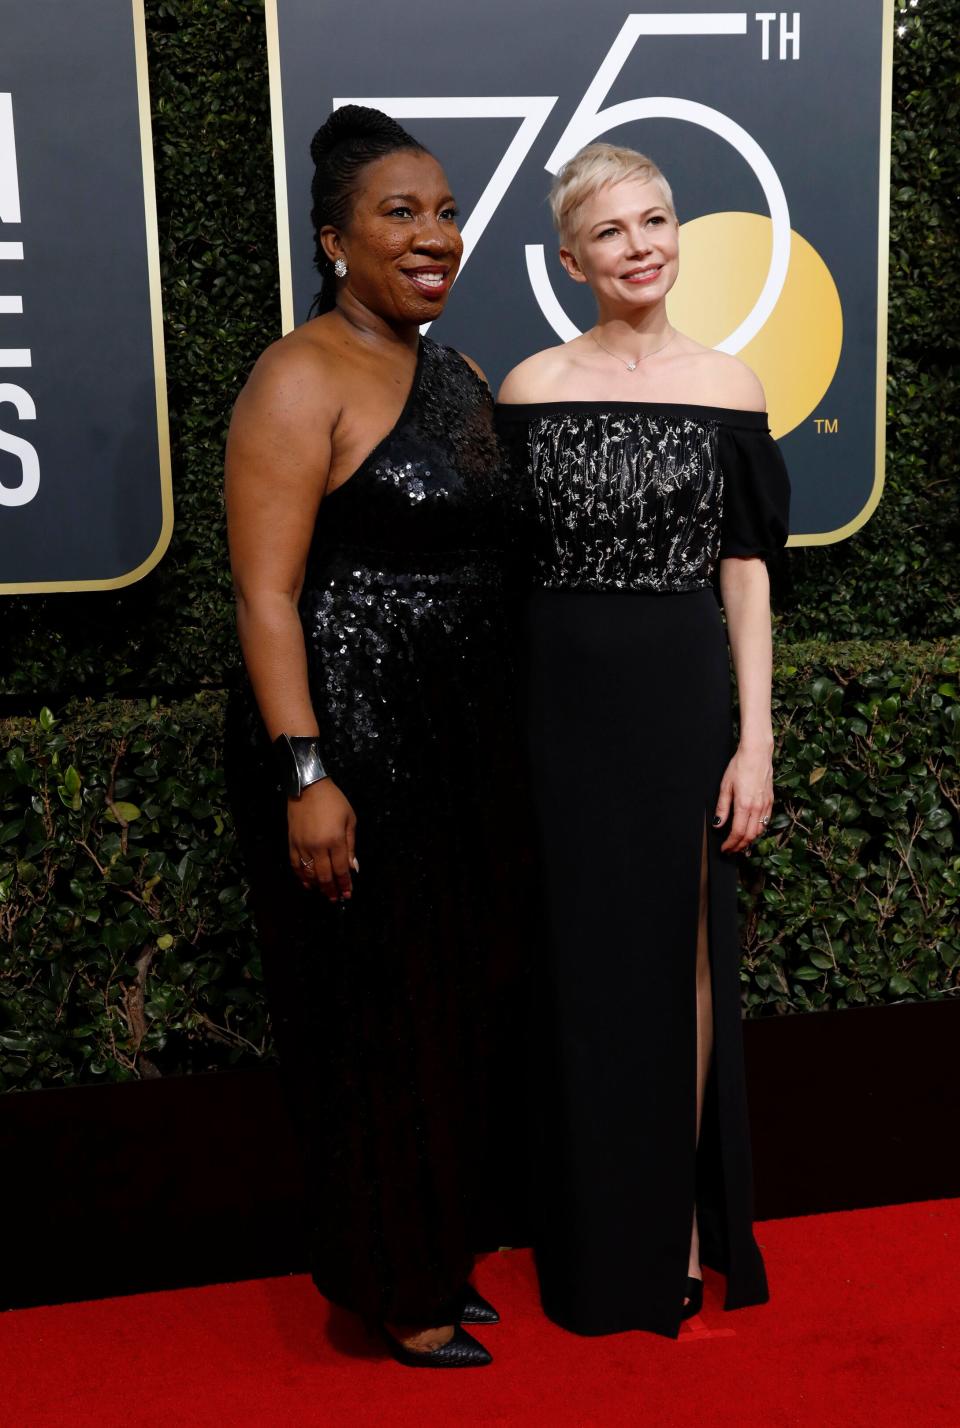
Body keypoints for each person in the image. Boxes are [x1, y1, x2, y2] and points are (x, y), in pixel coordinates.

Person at [224, 106, 529, 1368]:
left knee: (446, 1003)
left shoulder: (457, 373)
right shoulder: (298, 373)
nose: (436, 234)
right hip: (350, 739)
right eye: (401, 213)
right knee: (369, 1017)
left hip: (460, 746)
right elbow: (265, 594)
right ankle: (390, 1285)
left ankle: (436, 1251)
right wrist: (307, 773)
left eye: (447, 210)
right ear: (336, 240)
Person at [496, 142, 789, 1339]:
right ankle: (585, 1221)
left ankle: (670, 1222)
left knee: (686, 959)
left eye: (656, 219)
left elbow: (749, 577)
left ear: (680, 233)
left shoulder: (729, 384)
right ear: (572, 258)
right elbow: (502, 580)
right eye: (610, 231)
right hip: (556, 701)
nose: (640, 245)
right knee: (577, 961)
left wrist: (754, 739)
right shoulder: (525, 387)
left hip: (677, 698)